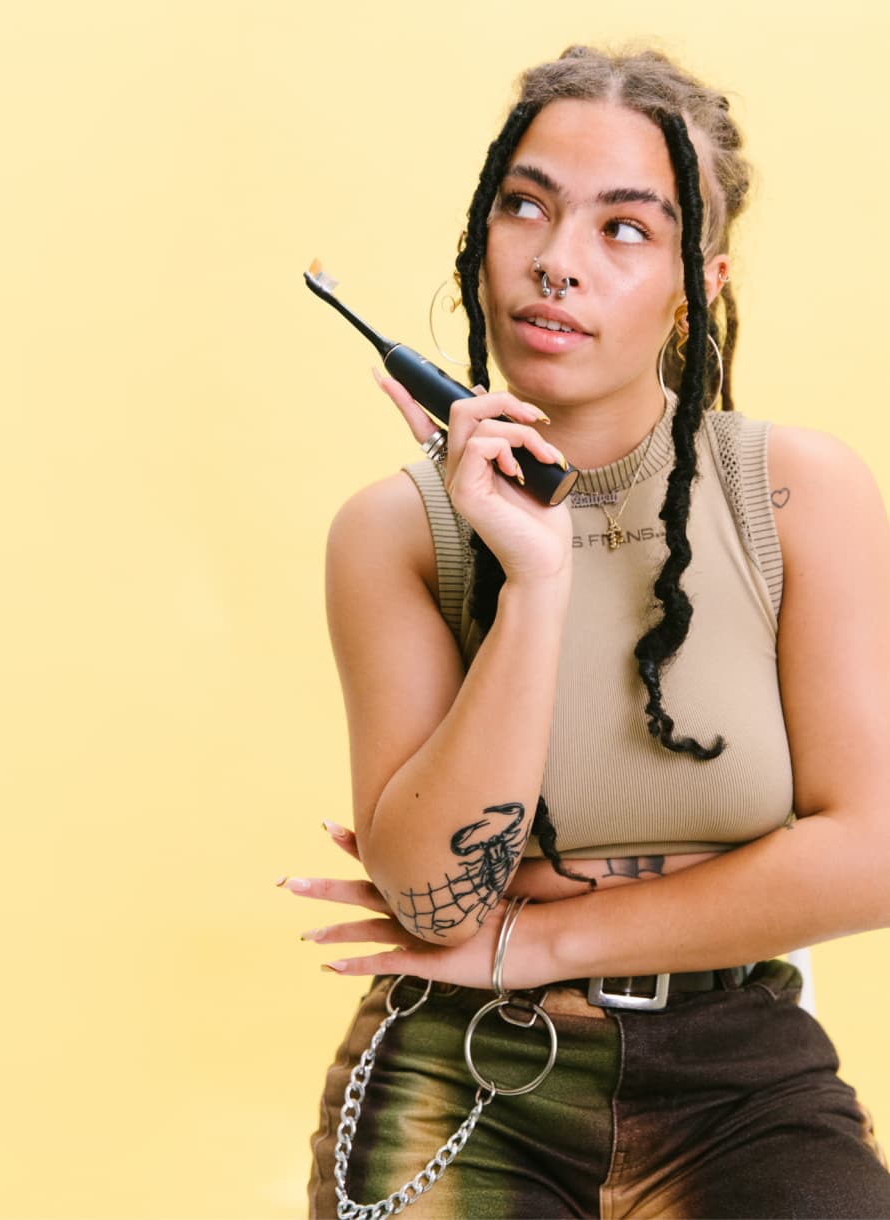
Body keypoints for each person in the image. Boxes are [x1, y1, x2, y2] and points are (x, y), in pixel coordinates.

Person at [283, 44, 890, 1219]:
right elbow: (435, 903)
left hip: (741, 1076)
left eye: (623, 229)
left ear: (693, 284)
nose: (556, 262)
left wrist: (547, 940)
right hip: (460, 1068)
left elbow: (873, 850)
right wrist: (536, 578)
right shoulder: (394, 534)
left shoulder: (795, 494)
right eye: (527, 206)